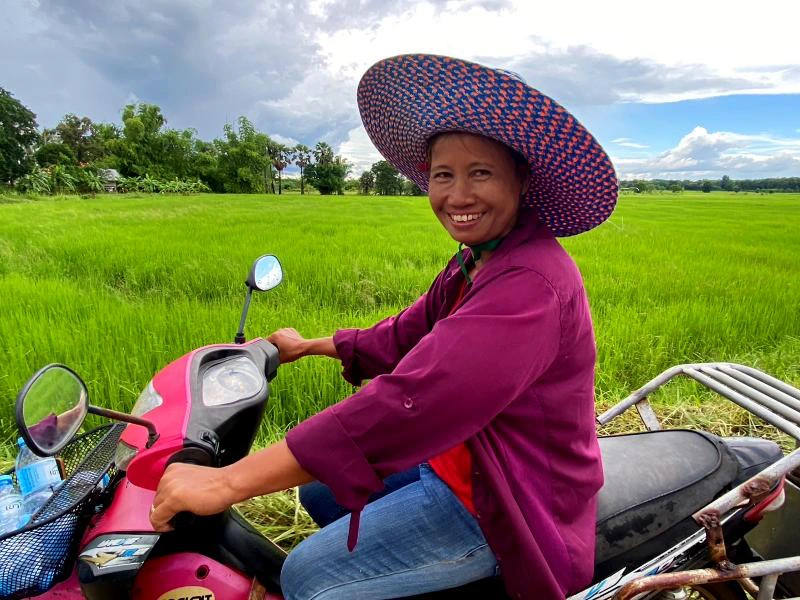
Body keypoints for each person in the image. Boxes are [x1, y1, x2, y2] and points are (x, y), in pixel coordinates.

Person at [150, 54, 618, 600]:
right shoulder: (480, 258)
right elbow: (407, 334)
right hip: (461, 460)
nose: (457, 195)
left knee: (306, 579)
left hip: (506, 498)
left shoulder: (530, 286)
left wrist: (226, 482)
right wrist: (309, 346)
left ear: (523, 179)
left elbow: (409, 404)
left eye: (481, 173)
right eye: (443, 175)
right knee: (321, 494)